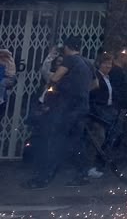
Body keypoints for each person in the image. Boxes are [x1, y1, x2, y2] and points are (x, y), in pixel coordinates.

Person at [22, 36, 94, 189]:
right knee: (76, 143)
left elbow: (55, 77)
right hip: (82, 107)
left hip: (66, 109)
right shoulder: (88, 62)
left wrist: (53, 90)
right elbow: (95, 84)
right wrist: (80, 91)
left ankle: (43, 179)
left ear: (67, 47)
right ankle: (82, 175)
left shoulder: (70, 60)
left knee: (55, 142)